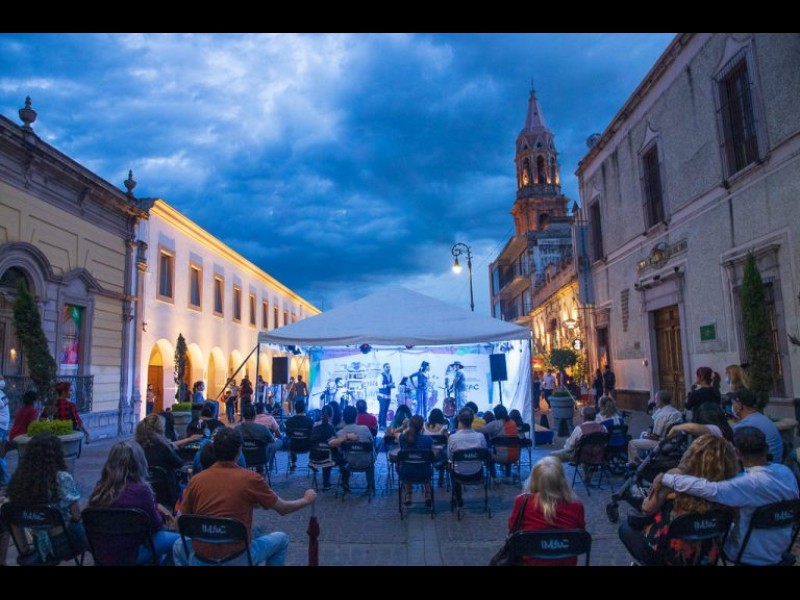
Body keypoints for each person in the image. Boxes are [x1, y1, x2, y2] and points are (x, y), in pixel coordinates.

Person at [173, 427, 317, 566]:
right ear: (239, 450)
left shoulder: (196, 480)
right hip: (237, 557)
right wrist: (306, 499)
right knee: (281, 539)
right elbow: (283, 508)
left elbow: (179, 524)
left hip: (202, 559)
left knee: (178, 545)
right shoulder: (250, 479)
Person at [659, 426, 800, 565]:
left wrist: (666, 478)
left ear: (737, 452)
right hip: (780, 549)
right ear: (767, 448)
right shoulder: (786, 472)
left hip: (747, 554)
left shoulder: (746, 483)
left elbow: (710, 490)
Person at [618, 434, 739, 566]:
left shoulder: (676, 477)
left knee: (625, 528)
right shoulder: (729, 486)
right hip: (706, 555)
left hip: (668, 554)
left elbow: (647, 508)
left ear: (692, 455)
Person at [87, 440, 179, 565]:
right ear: (139, 463)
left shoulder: (100, 489)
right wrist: (162, 514)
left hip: (102, 553)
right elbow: (155, 525)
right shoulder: (140, 491)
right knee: (182, 542)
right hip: (132, 552)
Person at [6, 433, 88, 561]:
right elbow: (76, 515)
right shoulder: (62, 478)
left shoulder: (20, 482)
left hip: (39, 544)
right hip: (64, 543)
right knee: (90, 526)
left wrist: (24, 550)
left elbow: (13, 518)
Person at [508, 456, 586, 566]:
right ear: (562, 480)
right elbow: (580, 536)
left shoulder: (522, 501)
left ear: (534, 480)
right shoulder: (576, 505)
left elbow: (513, 528)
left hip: (530, 562)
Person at [627, 390, 683, 464]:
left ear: (661, 401)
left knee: (632, 443)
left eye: (656, 399)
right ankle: (646, 458)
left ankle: (634, 464)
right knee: (644, 433)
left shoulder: (662, 415)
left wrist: (648, 436)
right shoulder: (677, 412)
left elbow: (656, 436)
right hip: (674, 441)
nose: (655, 401)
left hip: (662, 442)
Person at [447, 407, 487, 507]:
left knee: (450, 465)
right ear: (472, 420)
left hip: (458, 474)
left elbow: (450, 457)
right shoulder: (480, 437)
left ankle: (457, 498)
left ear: (459, 420)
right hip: (477, 473)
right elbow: (484, 454)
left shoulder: (453, 438)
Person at [328, 406, 374, 493]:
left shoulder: (340, 433)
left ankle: (345, 483)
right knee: (372, 455)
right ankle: (370, 485)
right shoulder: (365, 429)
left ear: (343, 418)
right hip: (366, 462)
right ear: (356, 417)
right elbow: (371, 442)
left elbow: (331, 444)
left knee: (344, 455)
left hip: (349, 463)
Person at [730, 388, 783, 463]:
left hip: (764, 465)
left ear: (740, 405)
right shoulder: (762, 418)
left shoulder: (743, 427)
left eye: (733, 403)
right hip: (776, 461)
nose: (732, 406)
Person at [396, 415, 434, 506]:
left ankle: (408, 494)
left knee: (405, 466)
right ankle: (428, 494)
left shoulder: (403, 438)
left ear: (409, 425)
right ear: (422, 426)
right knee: (425, 466)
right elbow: (431, 457)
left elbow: (394, 432)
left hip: (407, 473)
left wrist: (403, 427)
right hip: (424, 473)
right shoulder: (428, 439)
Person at [237, 403, 277, 471]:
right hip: (261, 458)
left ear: (243, 416)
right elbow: (272, 441)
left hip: (243, 459)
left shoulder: (237, 429)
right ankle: (267, 468)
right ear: (255, 415)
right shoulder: (263, 428)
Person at [310, 405, 337, 490]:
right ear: (332, 414)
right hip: (326, 457)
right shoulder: (330, 427)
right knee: (334, 453)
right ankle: (326, 482)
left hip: (314, 456)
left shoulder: (315, 425)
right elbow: (333, 443)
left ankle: (315, 472)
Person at [285, 399, 314, 472]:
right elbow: (312, 435)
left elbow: (287, 434)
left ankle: (293, 463)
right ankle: (312, 462)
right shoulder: (309, 421)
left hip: (293, 447)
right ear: (304, 409)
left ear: (295, 409)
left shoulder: (289, 421)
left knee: (291, 441)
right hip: (306, 447)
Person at [377, 363, 395, 430]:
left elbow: (389, 385)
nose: (388, 368)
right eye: (387, 367)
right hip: (382, 396)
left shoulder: (390, 375)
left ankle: (384, 425)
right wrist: (388, 385)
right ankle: (381, 425)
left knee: (385, 411)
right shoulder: (380, 375)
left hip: (388, 396)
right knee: (382, 411)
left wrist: (392, 385)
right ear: (384, 368)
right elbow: (379, 386)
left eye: (389, 367)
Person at [0, 374, 8, 486]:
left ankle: (6, 479)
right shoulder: (2, 394)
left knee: (1, 455)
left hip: (1, 427)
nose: (2, 381)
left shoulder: (1, 394)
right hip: (2, 427)